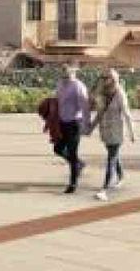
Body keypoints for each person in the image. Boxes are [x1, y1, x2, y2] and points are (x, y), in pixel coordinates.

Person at [88, 69, 137, 201]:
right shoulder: (102, 94)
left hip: (116, 131)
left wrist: (132, 133)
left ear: (114, 79)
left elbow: (127, 113)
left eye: (108, 78)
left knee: (111, 158)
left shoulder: (120, 93)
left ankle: (104, 190)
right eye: (104, 78)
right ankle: (121, 177)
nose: (105, 81)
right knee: (113, 155)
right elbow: (99, 114)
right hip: (105, 130)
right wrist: (90, 128)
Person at [56, 65, 91, 193]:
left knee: (72, 152)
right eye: (62, 73)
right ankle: (79, 164)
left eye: (66, 73)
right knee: (58, 148)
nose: (64, 76)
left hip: (74, 123)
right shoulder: (60, 84)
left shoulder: (78, 86)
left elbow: (85, 106)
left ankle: (73, 184)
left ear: (72, 72)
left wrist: (87, 124)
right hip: (62, 122)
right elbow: (57, 100)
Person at [36, 94, 65, 162]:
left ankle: (74, 161)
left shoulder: (51, 105)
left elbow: (51, 118)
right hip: (55, 113)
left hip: (57, 116)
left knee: (58, 148)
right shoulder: (50, 104)